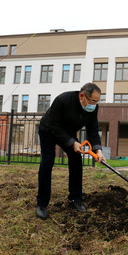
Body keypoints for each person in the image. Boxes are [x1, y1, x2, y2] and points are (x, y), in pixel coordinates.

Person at [36, 83, 105, 220]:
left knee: (76, 160)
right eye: (93, 101)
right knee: (48, 161)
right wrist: (71, 142)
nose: (94, 105)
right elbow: (53, 125)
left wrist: (98, 150)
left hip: (68, 132)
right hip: (48, 130)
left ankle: (75, 199)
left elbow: (92, 130)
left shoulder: (92, 108)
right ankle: (41, 204)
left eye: (97, 102)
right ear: (82, 96)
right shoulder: (63, 100)